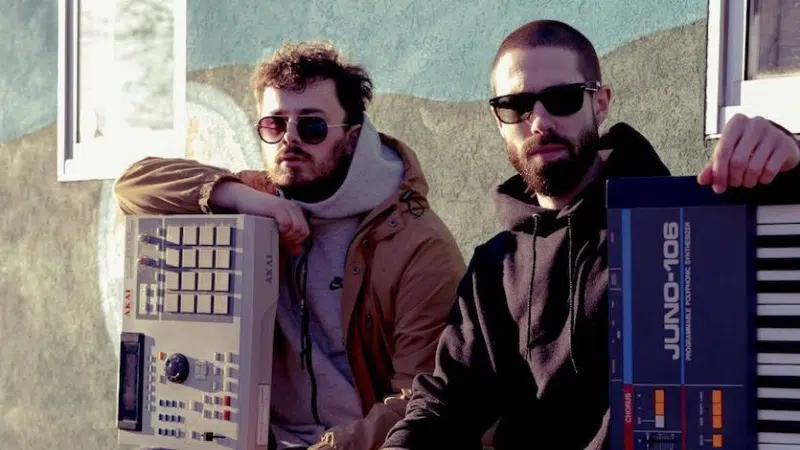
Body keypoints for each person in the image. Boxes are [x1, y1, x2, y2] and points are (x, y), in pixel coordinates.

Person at [380, 19, 800, 450]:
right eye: (516, 105)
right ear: (497, 119)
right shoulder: (494, 265)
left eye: (562, 99)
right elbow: (446, 402)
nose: (539, 121)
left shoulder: (685, 227)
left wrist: (786, 157)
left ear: (600, 103)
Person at [113, 40, 466, 450]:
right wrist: (242, 198)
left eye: (312, 126)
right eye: (274, 125)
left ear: (351, 138)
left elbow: (418, 400)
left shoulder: (417, 244)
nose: (289, 139)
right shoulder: (257, 198)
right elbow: (133, 186)